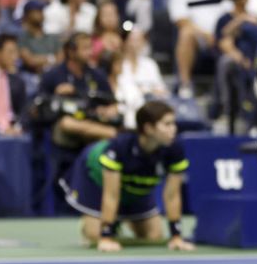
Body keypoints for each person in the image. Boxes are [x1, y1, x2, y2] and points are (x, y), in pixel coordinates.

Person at [61, 100, 195, 252]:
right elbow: (111, 194)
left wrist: (176, 237)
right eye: (167, 124)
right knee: (95, 236)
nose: (174, 129)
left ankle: (122, 220)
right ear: (149, 128)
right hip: (96, 178)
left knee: (155, 236)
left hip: (134, 185)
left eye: (173, 123)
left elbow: (172, 195)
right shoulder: (120, 147)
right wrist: (106, 237)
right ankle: (98, 223)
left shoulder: (174, 149)